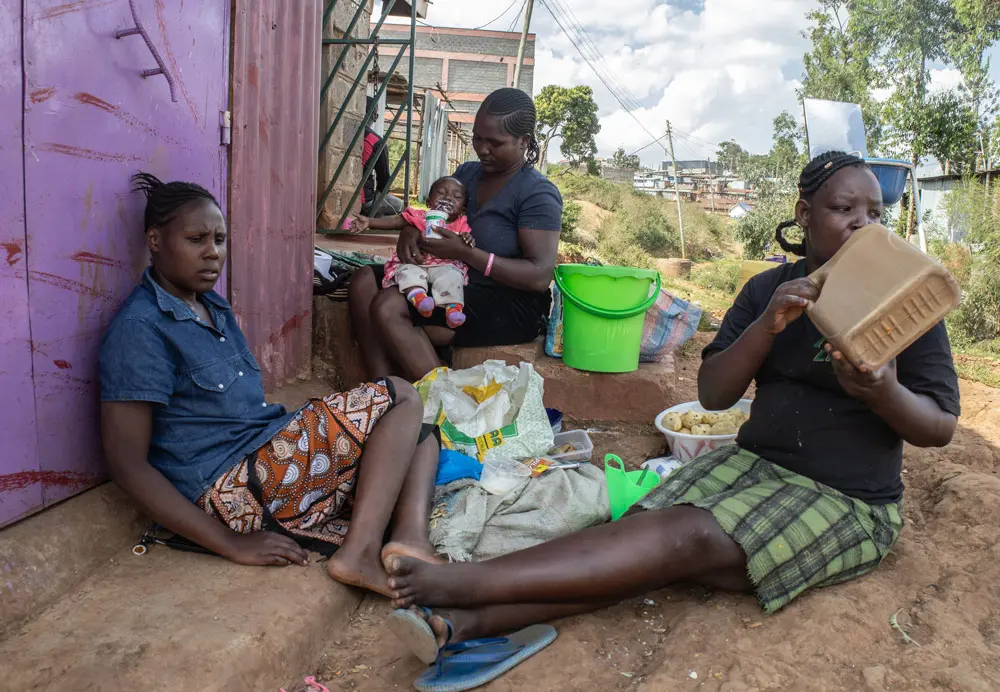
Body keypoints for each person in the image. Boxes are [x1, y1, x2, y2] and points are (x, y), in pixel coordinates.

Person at [379, 151, 961, 653]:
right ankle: (461, 623)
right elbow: (714, 394)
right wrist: (768, 325)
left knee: (689, 537)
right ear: (805, 215)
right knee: (642, 532)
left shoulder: (901, 304)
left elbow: (939, 427)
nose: (862, 224)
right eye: (843, 210)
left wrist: (883, 390)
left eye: (874, 213)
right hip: (752, 466)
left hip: (846, 501)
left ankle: (465, 586)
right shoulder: (767, 291)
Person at [99, 173, 440, 598]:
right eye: (196, 239)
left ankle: (409, 540)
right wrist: (230, 543)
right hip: (234, 488)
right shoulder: (141, 329)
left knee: (421, 437)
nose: (212, 253)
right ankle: (360, 552)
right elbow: (127, 464)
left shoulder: (211, 306)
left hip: (267, 454)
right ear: (154, 240)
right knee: (400, 394)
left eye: (220, 240)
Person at [348, 88, 563, 381]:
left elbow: (539, 276)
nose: (482, 149)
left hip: (508, 300)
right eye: (477, 138)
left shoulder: (537, 193)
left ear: (523, 141)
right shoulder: (468, 173)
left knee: (389, 305)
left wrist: (466, 254)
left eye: (494, 143)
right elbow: (440, 212)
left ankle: (444, 405)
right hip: (450, 274)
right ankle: (382, 388)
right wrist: (412, 229)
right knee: (363, 280)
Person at [352, 176, 473, 329]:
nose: (448, 198)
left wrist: (468, 239)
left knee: (453, 277)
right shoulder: (420, 217)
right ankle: (419, 298)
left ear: (463, 209)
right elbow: (396, 221)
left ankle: (453, 310)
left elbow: (466, 240)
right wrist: (370, 222)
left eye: (456, 196)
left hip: (445, 265)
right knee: (406, 271)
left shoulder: (461, 224)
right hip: (417, 262)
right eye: (441, 193)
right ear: (429, 202)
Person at [361, 99, 404, 219]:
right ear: (375, 116)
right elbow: (385, 181)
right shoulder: (375, 141)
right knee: (402, 207)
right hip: (364, 200)